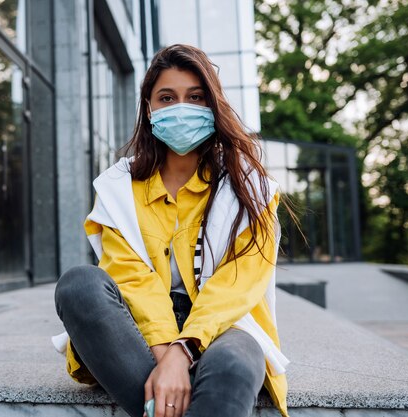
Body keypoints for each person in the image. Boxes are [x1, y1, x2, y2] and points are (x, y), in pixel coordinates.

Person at [54, 44, 290, 417]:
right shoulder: (118, 186)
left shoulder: (251, 188)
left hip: (224, 326)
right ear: (149, 109)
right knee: (79, 285)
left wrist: (185, 349)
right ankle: (175, 387)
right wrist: (167, 356)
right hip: (137, 332)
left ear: (213, 106)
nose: (182, 108)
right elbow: (131, 278)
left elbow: (238, 283)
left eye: (195, 97)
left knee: (233, 366)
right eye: (167, 97)